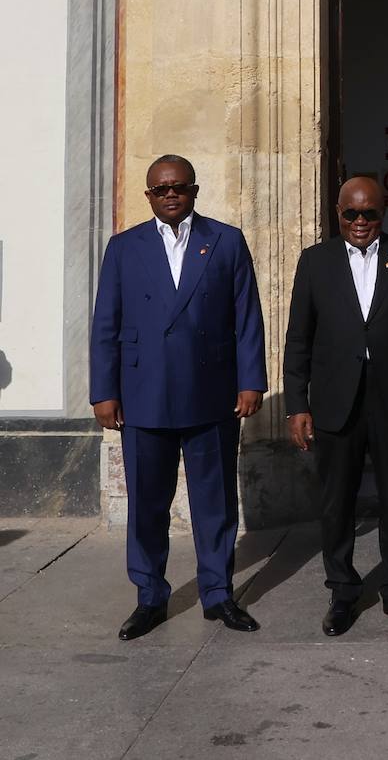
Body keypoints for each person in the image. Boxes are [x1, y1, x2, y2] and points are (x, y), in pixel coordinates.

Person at [89, 155, 267, 641]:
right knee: (148, 503)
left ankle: (217, 594)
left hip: (211, 393)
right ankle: (150, 597)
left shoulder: (225, 241)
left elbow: (247, 317)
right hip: (143, 395)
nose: (171, 195)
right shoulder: (124, 248)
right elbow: (106, 323)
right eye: (161, 189)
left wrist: (251, 381)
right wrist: (104, 392)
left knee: (215, 502)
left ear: (194, 190)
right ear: (148, 195)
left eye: (180, 187)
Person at [282, 176, 388, 635]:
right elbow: (298, 340)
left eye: (368, 213)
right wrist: (297, 404)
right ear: (338, 214)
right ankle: (343, 591)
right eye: (350, 213)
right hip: (336, 400)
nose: (359, 222)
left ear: (382, 213)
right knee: (337, 502)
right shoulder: (316, 262)